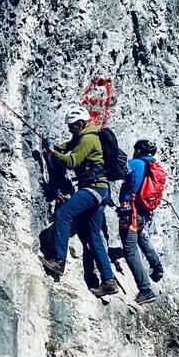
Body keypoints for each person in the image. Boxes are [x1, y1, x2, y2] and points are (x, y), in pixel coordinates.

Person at [40, 110, 118, 297]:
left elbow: (71, 161)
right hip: (100, 191)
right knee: (94, 235)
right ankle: (109, 281)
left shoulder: (88, 139)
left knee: (63, 214)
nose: (69, 129)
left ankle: (59, 261)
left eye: (72, 125)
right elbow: (67, 146)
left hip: (92, 189)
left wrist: (51, 152)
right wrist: (56, 148)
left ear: (81, 123)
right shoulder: (81, 137)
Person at [118, 139, 165, 305]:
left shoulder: (135, 163)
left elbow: (118, 172)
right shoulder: (155, 168)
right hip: (143, 213)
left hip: (129, 212)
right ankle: (156, 265)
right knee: (140, 237)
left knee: (130, 250)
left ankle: (145, 289)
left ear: (138, 150)